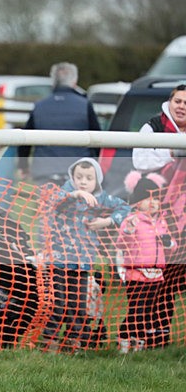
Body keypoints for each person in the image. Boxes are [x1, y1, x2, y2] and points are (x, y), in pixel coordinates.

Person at [40, 158, 130, 352]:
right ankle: (50, 340)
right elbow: (53, 200)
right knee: (58, 303)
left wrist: (106, 222)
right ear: (72, 177)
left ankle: (74, 340)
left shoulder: (101, 199)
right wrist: (76, 193)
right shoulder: (64, 194)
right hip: (59, 261)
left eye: (89, 178)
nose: (83, 181)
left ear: (97, 180)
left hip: (83, 263)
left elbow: (126, 208)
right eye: (79, 177)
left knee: (78, 305)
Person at [129, 84, 186, 348]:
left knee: (174, 278)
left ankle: (161, 333)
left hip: (182, 218)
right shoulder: (152, 126)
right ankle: (141, 331)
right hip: (156, 213)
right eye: (178, 100)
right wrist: (171, 153)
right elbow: (140, 161)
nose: (182, 106)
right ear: (170, 101)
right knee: (151, 277)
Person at [117, 172, 175, 353]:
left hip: (156, 275)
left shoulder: (162, 222)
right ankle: (125, 338)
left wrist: (168, 242)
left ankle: (139, 340)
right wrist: (129, 230)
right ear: (137, 201)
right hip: (137, 274)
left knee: (148, 310)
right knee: (136, 309)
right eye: (147, 199)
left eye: (156, 199)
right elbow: (121, 243)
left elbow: (173, 245)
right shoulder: (132, 220)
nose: (153, 203)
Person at [17, 62, 101, 185]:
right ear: (74, 81)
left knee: (45, 204)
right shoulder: (85, 105)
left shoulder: (39, 106)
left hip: (44, 172)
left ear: (53, 81)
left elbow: (25, 141)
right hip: (77, 172)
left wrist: (23, 165)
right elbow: (97, 140)